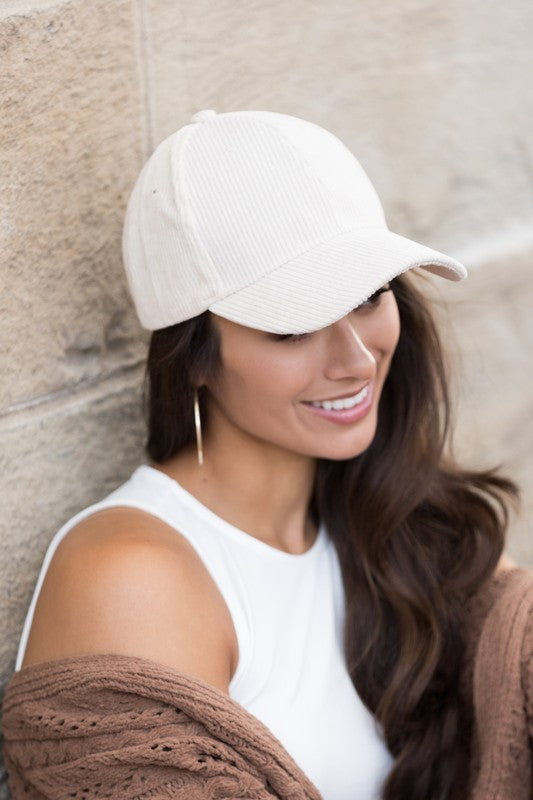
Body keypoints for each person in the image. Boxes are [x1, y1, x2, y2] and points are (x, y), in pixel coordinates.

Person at [3, 109, 532, 800]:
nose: (354, 358)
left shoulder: (404, 523)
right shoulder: (131, 577)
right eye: (294, 326)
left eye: (369, 296)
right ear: (193, 356)